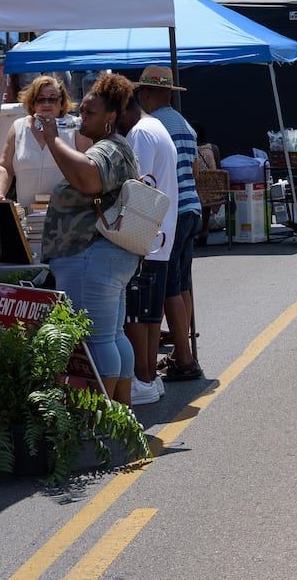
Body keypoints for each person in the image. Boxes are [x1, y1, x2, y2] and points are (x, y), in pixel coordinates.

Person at [39, 73, 142, 405]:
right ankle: (121, 418)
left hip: (90, 255)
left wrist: (53, 139)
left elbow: (87, 178)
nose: (82, 118)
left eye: (90, 114)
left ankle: (100, 423)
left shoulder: (109, 148)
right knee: (111, 336)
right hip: (104, 256)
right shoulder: (110, 146)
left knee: (96, 341)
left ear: (110, 117)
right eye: (81, 112)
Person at [134, 66, 204, 383]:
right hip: (192, 207)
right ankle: (182, 351)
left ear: (149, 93)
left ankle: (185, 358)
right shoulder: (184, 124)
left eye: (142, 93)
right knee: (182, 283)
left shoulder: (154, 126)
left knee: (170, 287)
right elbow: (197, 168)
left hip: (171, 211)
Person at [117, 72, 180, 407]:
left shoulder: (141, 132)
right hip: (160, 232)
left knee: (139, 315)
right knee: (150, 313)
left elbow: (135, 184)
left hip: (146, 233)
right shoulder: (156, 127)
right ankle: (148, 377)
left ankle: (142, 376)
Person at [0, 75, 89, 209]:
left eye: (52, 99)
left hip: (65, 213)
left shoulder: (76, 126)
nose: (46, 104)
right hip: (27, 215)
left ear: (61, 102)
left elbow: (88, 168)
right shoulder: (18, 127)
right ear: (32, 103)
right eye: (41, 99)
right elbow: (5, 167)